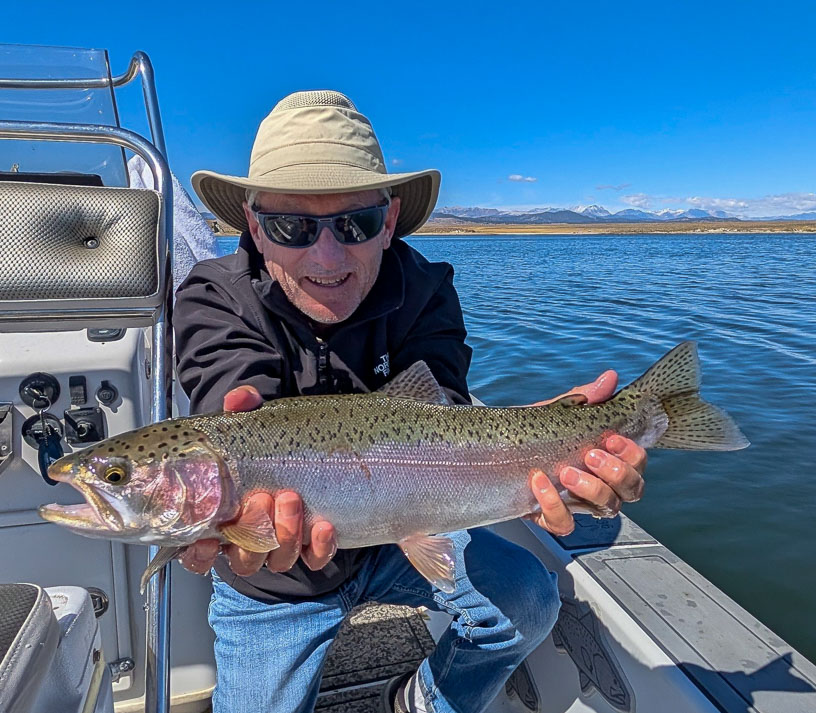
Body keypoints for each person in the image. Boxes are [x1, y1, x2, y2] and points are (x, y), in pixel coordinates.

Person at [173, 91, 647, 713]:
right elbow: (232, 404)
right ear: (256, 228)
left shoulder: (425, 288)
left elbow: (443, 409)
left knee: (530, 600)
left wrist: (540, 443)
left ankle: (422, 699)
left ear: (389, 220)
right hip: (274, 575)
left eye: (355, 224)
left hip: (410, 529)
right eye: (293, 227)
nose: (327, 257)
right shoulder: (214, 298)